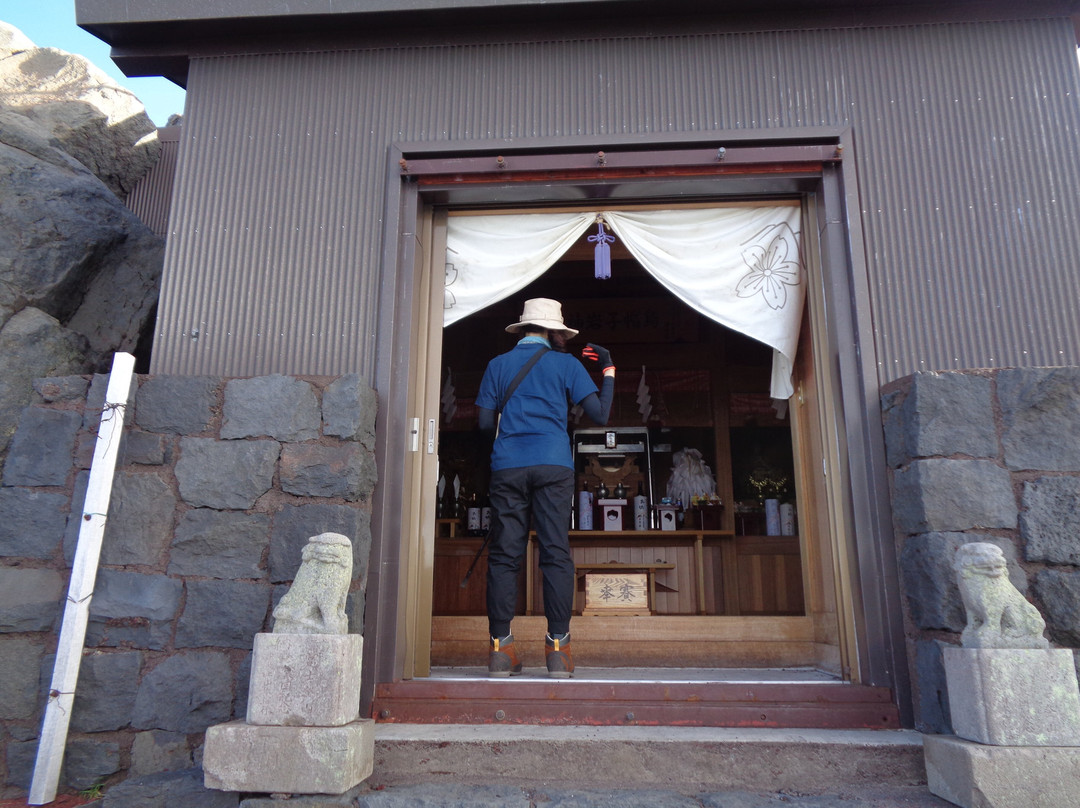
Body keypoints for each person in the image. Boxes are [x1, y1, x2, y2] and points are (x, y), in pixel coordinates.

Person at [475, 298, 615, 678]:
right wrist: (608, 370)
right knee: (555, 552)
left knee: (505, 556)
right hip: (554, 464)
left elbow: (486, 425)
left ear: (522, 330)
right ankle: (558, 652)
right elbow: (600, 415)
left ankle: (501, 650)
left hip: (507, 466)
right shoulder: (567, 365)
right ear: (553, 332)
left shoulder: (496, 366)